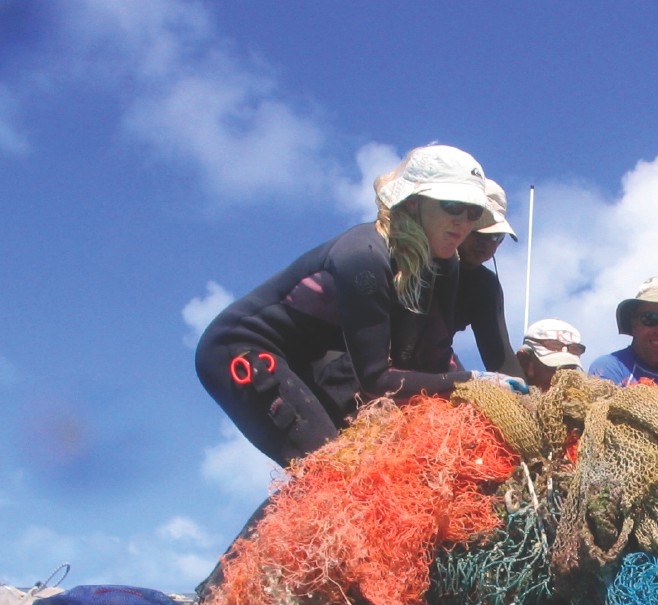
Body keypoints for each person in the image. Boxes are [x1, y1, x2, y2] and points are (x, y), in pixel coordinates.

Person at [195, 144, 526, 468]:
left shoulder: (446, 265)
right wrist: (473, 380)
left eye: (473, 213)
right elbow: (376, 379)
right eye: (453, 205)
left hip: (314, 361)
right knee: (335, 472)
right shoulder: (363, 255)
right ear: (412, 204)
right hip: (244, 349)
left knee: (383, 457)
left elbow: (428, 364)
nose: (464, 223)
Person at [454, 179, 523, 378]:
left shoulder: (485, 286)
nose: (486, 243)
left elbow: (498, 354)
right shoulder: (412, 263)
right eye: (479, 231)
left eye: (496, 236)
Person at [516, 318, 586, 390]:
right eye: (554, 368)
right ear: (524, 362)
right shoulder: (507, 395)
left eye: (571, 369)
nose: (563, 379)